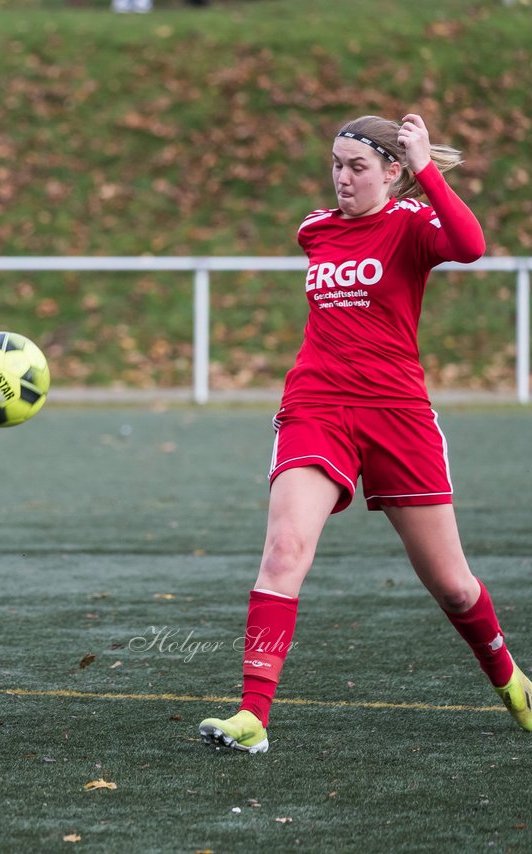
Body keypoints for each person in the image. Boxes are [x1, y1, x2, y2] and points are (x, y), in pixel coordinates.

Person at [198, 114, 532, 753]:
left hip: (398, 415)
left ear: (393, 173)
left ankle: (510, 679)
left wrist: (428, 169)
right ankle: (253, 716)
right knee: (284, 550)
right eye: (336, 164)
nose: (342, 178)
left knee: (454, 584)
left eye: (357, 167)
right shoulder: (314, 230)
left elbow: (472, 246)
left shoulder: (413, 223)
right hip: (315, 408)